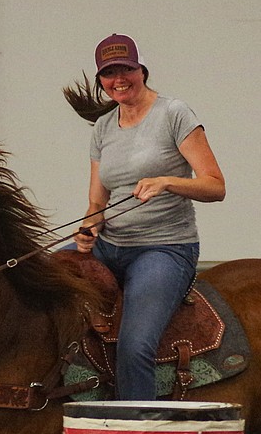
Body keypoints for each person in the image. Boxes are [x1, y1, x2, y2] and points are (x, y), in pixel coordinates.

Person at [62, 33, 226, 401]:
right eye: (109, 73)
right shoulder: (104, 127)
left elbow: (216, 186)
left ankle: (139, 431)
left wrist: (168, 182)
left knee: (134, 346)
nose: (118, 80)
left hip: (164, 248)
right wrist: (90, 228)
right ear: (100, 80)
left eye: (126, 70)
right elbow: (96, 203)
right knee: (35, 282)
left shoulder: (173, 114)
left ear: (141, 70)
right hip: (108, 245)